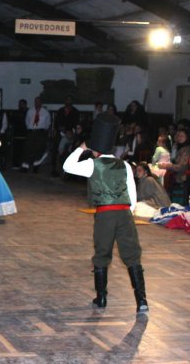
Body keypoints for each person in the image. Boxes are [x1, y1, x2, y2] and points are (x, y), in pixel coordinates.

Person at [63, 113, 148, 314]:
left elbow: (67, 166)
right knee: (132, 255)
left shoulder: (92, 165)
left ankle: (101, 298)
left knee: (102, 254)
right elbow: (132, 194)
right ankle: (142, 300)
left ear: (95, 149)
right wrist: (128, 213)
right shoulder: (124, 165)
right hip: (125, 213)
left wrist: (81, 148)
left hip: (105, 214)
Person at [159, 128, 190, 205]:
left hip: (182, 179)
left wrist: (167, 166)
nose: (179, 137)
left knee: (180, 204)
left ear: (187, 137)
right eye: (178, 135)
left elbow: (181, 167)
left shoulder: (186, 149)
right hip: (176, 178)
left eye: (182, 136)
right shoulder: (178, 147)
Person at [52, 95, 80, 176]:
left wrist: (72, 133)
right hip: (60, 133)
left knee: (67, 147)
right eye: (67, 100)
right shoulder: (60, 111)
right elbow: (56, 124)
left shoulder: (75, 112)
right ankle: (55, 169)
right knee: (56, 146)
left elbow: (77, 125)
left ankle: (67, 170)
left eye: (70, 100)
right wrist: (59, 130)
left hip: (71, 134)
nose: (68, 101)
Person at [21, 96, 51, 173]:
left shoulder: (45, 112)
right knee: (28, 149)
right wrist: (31, 129)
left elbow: (47, 124)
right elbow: (27, 121)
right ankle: (25, 166)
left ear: (41, 103)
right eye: (36, 101)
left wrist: (42, 132)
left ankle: (36, 165)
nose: (37, 103)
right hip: (31, 132)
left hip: (40, 132)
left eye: (38, 101)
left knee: (38, 149)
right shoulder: (30, 111)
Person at [10, 99, 28, 168]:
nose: (20, 105)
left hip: (25, 134)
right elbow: (12, 121)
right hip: (17, 134)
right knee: (16, 150)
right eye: (20, 104)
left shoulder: (28, 112)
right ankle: (16, 164)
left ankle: (24, 164)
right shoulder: (16, 112)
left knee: (24, 150)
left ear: (25, 104)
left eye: (22, 104)